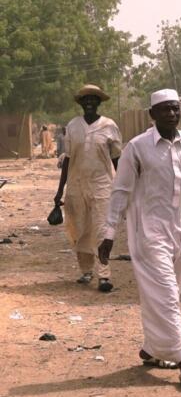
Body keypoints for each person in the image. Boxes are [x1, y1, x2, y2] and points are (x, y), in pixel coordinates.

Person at [99, 89, 181, 385]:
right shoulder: (137, 148)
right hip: (149, 233)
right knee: (167, 296)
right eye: (165, 110)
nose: (172, 114)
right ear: (152, 115)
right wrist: (109, 233)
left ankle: (151, 348)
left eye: (175, 109)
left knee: (166, 293)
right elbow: (120, 192)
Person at [54, 84, 122, 292]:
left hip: (102, 186)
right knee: (80, 229)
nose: (90, 103)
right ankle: (86, 270)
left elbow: (117, 159)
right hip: (76, 186)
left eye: (94, 99)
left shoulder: (109, 126)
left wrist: (124, 187)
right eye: (86, 100)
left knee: (101, 230)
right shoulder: (73, 126)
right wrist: (59, 192)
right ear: (81, 103)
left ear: (99, 102)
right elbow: (67, 160)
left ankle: (104, 275)